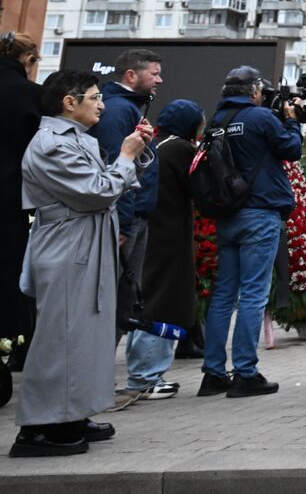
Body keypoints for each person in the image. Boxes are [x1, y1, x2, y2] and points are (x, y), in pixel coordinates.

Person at [11, 70, 153, 457]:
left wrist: (134, 155)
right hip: (67, 246)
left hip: (84, 242)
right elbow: (97, 191)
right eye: (94, 97)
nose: (102, 105)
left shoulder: (74, 138)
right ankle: (38, 428)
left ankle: (71, 414)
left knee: (86, 335)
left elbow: (110, 183)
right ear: (69, 102)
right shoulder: (51, 143)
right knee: (60, 337)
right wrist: (126, 156)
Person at [197, 66, 303, 399]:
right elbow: (291, 149)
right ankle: (245, 373)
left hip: (228, 214)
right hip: (260, 213)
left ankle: (214, 373)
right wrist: (291, 120)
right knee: (254, 294)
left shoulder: (217, 121)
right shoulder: (260, 118)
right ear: (255, 91)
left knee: (224, 294)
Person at [89, 50, 162, 395]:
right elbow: (115, 166)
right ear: (131, 76)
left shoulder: (128, 107)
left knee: (123, 299)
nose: (160, 80)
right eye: (154, 73)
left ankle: (99, 379)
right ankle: (95, 381)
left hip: (131, 217)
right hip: (123, 220)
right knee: (113, 300)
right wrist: (123, 222)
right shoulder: (119, 110)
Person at [120, 100, 203, 402]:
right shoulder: (180, 149)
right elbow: (200, 188)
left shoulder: (156, 145)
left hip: (151, 233)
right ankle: (146, 376)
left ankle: (142, 373)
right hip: (169, 238)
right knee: (163, 304)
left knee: (144, 303)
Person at [0, 32, 42, 373]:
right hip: (10, 201)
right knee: (9, 278)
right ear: (28, 60)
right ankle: (13, 350)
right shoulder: (30, 95)